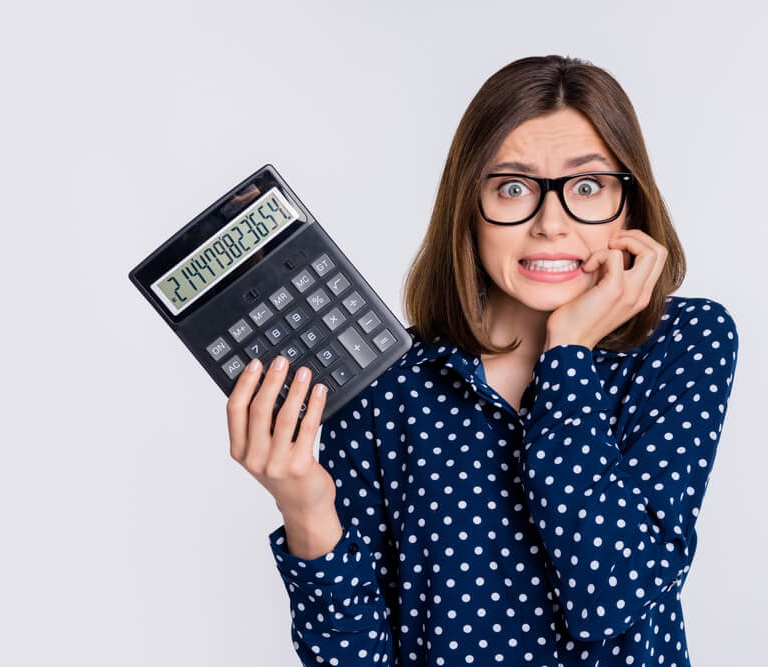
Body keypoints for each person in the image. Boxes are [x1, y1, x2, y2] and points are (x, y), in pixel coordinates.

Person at [227, 55, 739, 666]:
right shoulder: (382, 383)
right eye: (513, 187)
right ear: (469, 207)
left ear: (629, 204)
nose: (551, 224)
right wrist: (306, 508)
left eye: (586, 186)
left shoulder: (684, 342)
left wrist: (568, 352)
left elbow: (610, 593)